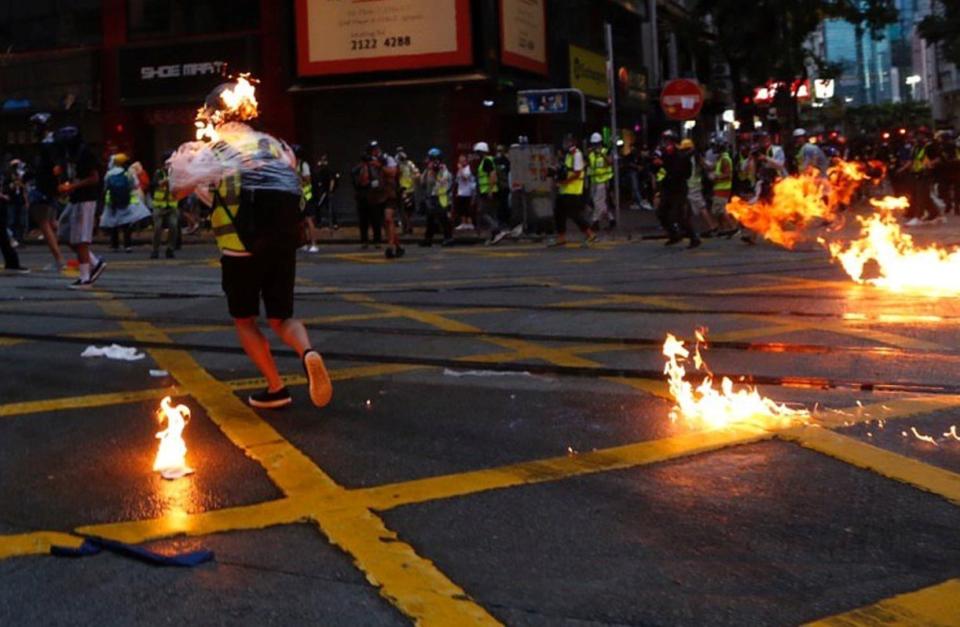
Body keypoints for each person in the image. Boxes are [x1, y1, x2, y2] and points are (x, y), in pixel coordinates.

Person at [169, 79, 333, 410]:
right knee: (281, 318)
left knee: (245, 320)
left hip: (239, 245)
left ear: (216, 116)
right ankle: (308, 352)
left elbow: (178, 190)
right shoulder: (276, 145)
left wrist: (183, 161)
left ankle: (276, 388)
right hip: (283, 241)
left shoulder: (216, 147)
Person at [55, 126, 106, 289]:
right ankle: (94, 262)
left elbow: (94, 178)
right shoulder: (70, 154)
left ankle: (85, 278)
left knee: (80, 239)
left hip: (86, 199)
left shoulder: (85, 153)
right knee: (64, 232)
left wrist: (74, 186)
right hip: (75, 198)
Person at [25, 112, 64, 270]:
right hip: (51, 187)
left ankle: (59, 259)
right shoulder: (53, 142)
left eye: (35, 126)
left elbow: (44, 167)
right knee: (52, 223)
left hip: (44, 187)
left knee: (45, 224)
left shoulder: (46, 145)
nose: (33, 129)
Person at [654, 130, 699, 248]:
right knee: (661, 213)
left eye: (668, 141)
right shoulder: (663, 154)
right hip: (667, 187)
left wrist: (669, 166)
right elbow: (656, 169)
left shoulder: (681, 156)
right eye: (665, 141)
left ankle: (693, 238)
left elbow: (685, 173)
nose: (666, 144)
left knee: (678, 215)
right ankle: (674, 234)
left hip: (679, 188)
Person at [549, 135, 596, 248]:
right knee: (559, 212)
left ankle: (590, 234)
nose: (565, 144)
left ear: (573, 143)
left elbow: (577, 173)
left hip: (573, 190)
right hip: (564, 190)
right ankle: (561, 237)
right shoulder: (568, 155)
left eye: (567, 142)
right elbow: (566, 170)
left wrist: (564, 182)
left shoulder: (577, 155)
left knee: (574, 214)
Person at [100, 153, 151, 252]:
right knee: (126, 223)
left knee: (114, 223)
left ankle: (115, 245)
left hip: (112, 201)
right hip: (126, 200)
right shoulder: (127, 173)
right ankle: (127, 245)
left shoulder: (109, 174)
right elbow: (134, 185)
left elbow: (105, 187)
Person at [419, 148, 454, 247]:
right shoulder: (428, 169)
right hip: (432, 197)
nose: (428, 161)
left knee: (443, 219)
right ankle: (428, 239)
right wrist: (427, 170)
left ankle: (448, 238)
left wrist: (433, 171)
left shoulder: (442, 170)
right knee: (430, 219)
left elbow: (441, 182)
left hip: (441, 197)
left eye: (430, 159)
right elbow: (423, 183)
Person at [474, 142, 506, 245]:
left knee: (482, 212)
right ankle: (494, 236)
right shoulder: (488, 160)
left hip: (488, 191)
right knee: (492, 213)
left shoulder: (487, 161)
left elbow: (493, 175)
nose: (477, 154)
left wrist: (490, 190)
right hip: (488, 191)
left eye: (478, 152)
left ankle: (497, 230)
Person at [707, 137, 740, 237]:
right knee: (717, 210)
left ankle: (732, 228)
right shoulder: (720, 158)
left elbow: (728, 174)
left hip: (723, 188)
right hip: (719, 187)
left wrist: (716, 177)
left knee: (720, 209)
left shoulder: (725, 159)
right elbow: (713, 168)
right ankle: (724, 229)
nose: (713, 149)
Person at [0, 164, 29, 273]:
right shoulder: (7, 177)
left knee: (4, 237)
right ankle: (12, 263)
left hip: (4, 205)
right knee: (4, 236)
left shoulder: (11, 176)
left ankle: (12, 263)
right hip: (4, 204)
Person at [351, 147, 382, 248]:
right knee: (363, 220)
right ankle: (364, 240)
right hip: (361, 194)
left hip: (372, 194)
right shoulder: (358, 168)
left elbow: (378, 180)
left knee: (375, 219)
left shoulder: (373, 168)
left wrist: (371, 185)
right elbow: (353, 177)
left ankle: (377, 240)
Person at [150, 155, 178, 259]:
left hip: (172, 205)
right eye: (167, 163)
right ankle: (155, 250)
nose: (169, 165)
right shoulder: (158, 173)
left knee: (173, 226)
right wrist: (162, 182)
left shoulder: (176, 174)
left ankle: (170, 249)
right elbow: (153, 184)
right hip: (159, 205)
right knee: (157, 228)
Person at [293, 145, 319, 253]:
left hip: (306, 196)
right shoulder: (293, 165)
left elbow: (308, 180)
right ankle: (303, 242)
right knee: (301, 221)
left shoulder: (304, 165)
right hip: (297, 196)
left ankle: (314, 244)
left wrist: (298, 177)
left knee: (308, 220)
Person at [586, 132, 614, 231]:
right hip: (594, 181)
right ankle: (611, 219)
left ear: (600, 143)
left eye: (597, 144)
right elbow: (589, 166)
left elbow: (610, 162)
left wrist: (602, 154)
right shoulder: (591, 154)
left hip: (603, 181)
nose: (595, 146)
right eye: (593, 144)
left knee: (598, 202)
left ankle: (595, 222)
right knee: (598, 202)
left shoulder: (605, 151)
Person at [396, 147, 419, 235]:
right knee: (403, 209)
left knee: (408, 210)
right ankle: (406, 227)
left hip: (409, 190)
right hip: (401, 190)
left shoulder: (409, 164)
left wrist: (413, 179)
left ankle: (407, 227)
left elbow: (417, 173)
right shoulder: (397, 164)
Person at [314, 154, 338, 229]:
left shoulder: (328, 170)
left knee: (328, 207)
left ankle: (334, 223)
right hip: (322, 191)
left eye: (323, 161)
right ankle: (319, 222)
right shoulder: (321, 170)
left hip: (326, 191)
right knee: (320, 206)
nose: (322, 162)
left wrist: (330, 191)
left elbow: (332, 180)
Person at [453, 153, 476, 231]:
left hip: (467, 192)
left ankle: (469, 223)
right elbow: (458, 180)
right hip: (461, 192)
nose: (461, 162)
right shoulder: (460, 170)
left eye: (462, 160)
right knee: (461, 209)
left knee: (467, 209)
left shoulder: (468, 168)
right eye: (460, 161)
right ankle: (463, 223)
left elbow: (465, 178)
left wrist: (460, 169)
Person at [494, 144, 512, 230]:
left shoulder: (506, 161)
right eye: (498, 151)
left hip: (505, 186)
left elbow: (509, 172)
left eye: (500, 151)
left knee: (505, 205)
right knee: (498, 206)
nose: (499, 153)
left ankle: (506, 222)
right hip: (496, 187)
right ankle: (500, 222)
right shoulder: (494, 161)